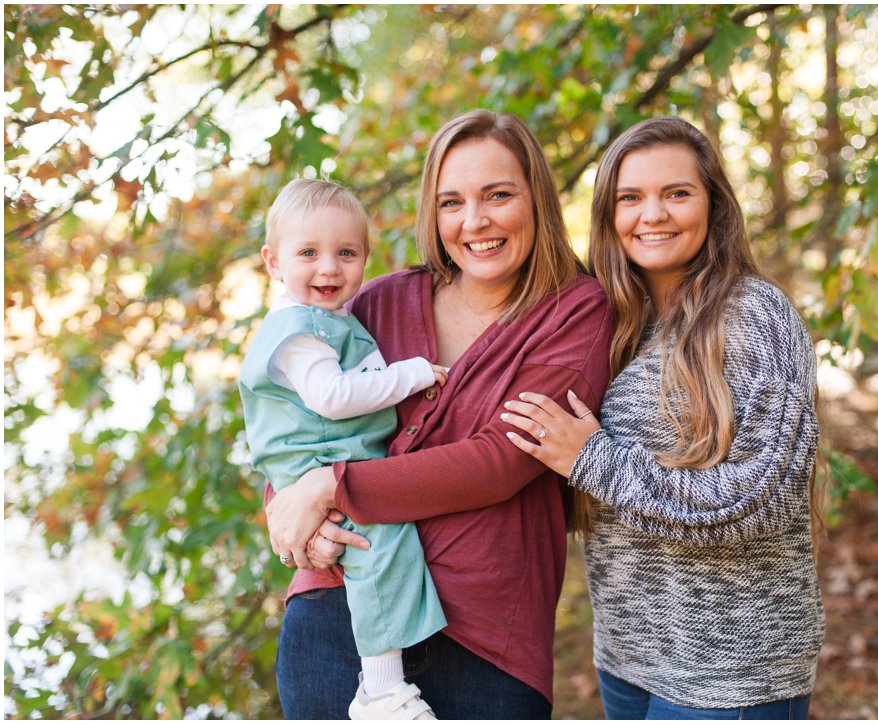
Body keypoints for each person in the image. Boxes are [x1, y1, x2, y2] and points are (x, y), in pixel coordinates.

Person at [263, 110, 614, 719]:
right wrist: (292, 514)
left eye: (498, 195)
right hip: (338, 614)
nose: (474, 221)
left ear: (537, 201)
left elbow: (502, 458)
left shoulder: (575, 313)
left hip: (483, 637)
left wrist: (332, 486)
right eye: (451, 202)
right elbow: (296, 422)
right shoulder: (376, 301)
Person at [502, 117, 824, 719]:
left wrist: (593, 460)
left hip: (731, 669)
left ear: (713, 204)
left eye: (677, 193)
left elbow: (762, 501)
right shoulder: (609, 323)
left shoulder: (754, 314)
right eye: (631, 197)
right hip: (627, 658)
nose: (653, 214)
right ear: (608, 214)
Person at [239, 178, 450, 719]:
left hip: (324, 459)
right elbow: (330, 397)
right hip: (313, 456)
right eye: (308, 253)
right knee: (377, 544)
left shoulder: (329, 320)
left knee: (365, 542)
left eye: (346, 253)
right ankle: (379, 687)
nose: (329, 268)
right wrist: (412, 375)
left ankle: (382, 681)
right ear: (273, 262)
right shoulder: (300, 331)